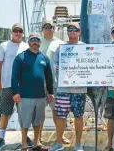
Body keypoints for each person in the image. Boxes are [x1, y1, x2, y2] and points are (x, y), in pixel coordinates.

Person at [11, 33, 54, 151]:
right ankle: (24, 144)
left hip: (40, 96)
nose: (35, 42)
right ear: (29, 42)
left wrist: (50, 92)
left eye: (37, 40)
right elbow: (14, 76)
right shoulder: (20, 57)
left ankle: (36, 143)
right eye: (32, 40)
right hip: (24, 96)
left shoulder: (44, 58)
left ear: (40, 42)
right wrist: (15, 92)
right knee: (24, 122)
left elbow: (49, 77)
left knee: (37, 121)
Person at [0, 23, 31, 150]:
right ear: (12, 32)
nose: (18, 33)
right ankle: (1, 138)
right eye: (16, 30)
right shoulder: (4, 46)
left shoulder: (26, 46)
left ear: (23, 33)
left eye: (20, 31)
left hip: (23, 85)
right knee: (5, 112)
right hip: (7, 85)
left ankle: (25, 137)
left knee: (24, 113)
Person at [49, 22, 87, 151]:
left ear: (79, 32)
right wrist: (57, 67)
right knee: (61, 116)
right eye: (69, 29)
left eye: (74, 29)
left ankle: (78, 144)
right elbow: (55, 62)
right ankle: (59, 142)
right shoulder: (61, 47)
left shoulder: (84, 47)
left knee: (79, 116)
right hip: (63, 88)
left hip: (79, 89)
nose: (72, 31)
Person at [39, 20, 69, 144]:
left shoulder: (60, 43)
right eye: (45, 27)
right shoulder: (36, 42)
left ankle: (60, 136)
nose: (47, 29)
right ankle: (38, 137)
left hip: (55, 83)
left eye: (50, 27)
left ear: (54, 28)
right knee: (39, 112)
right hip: (39, 83)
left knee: (56, 110)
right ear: (42, 29)